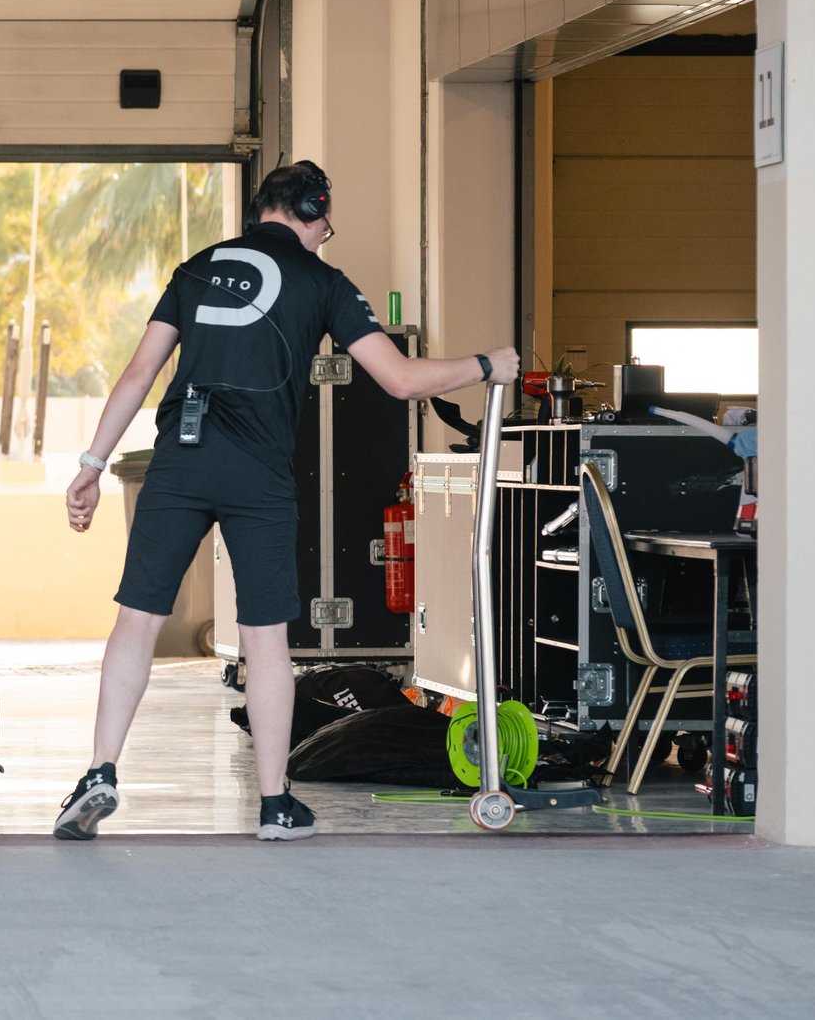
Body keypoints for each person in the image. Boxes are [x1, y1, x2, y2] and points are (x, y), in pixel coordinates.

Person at [52, 160, 517, 842]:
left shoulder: (197, 267)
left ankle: (99, 771)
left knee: (138, 620)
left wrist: (92, 463)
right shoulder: (321, 281)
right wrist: (486, 364)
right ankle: (274, 805)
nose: (325, 235)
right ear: (311, 211)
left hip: (180, 459)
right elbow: (400, 379)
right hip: (257, 474)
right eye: (324, 223)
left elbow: (138, 372)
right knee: (268, 641)